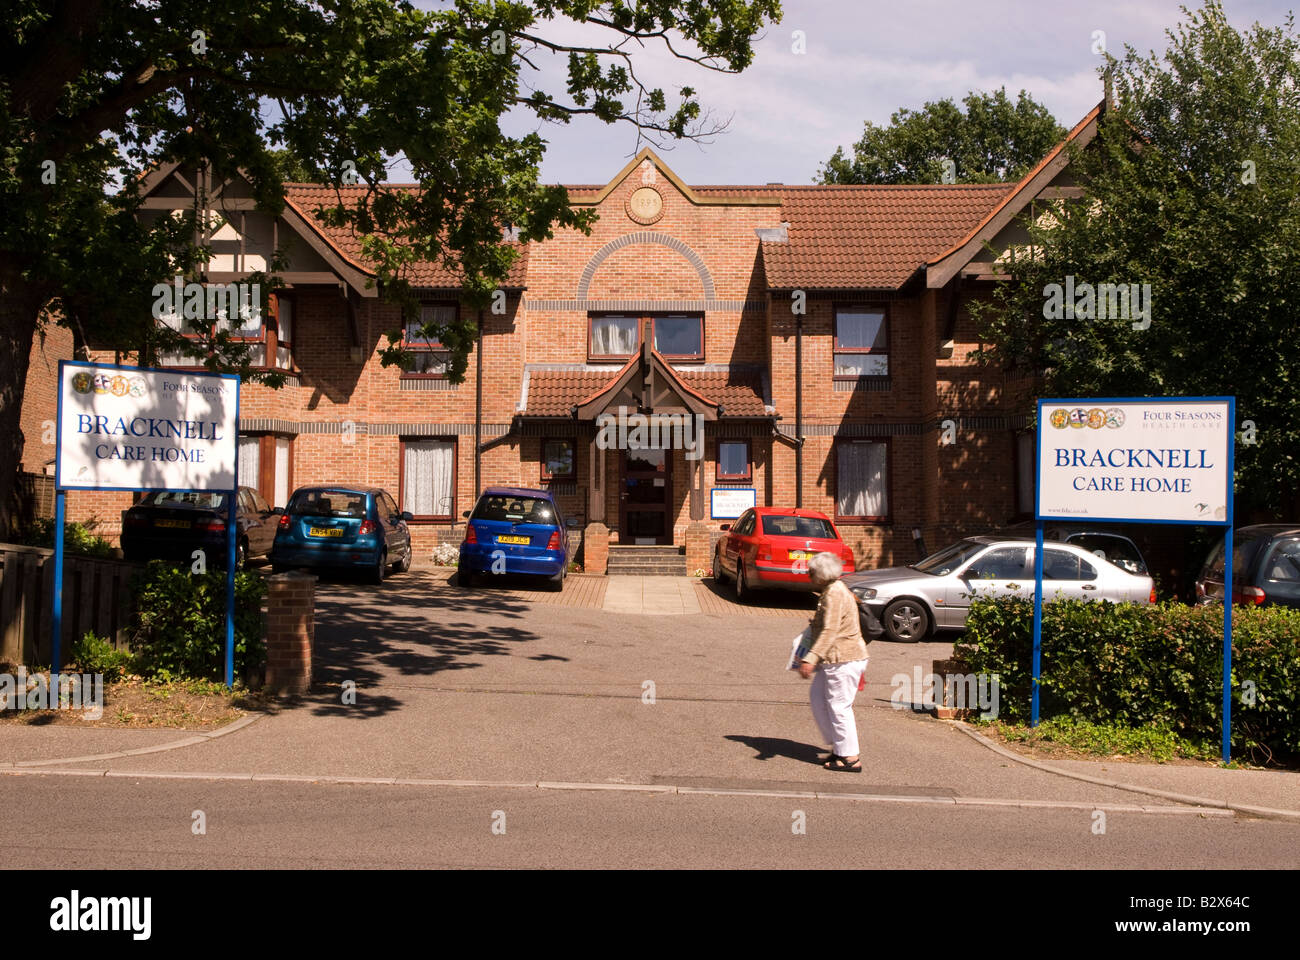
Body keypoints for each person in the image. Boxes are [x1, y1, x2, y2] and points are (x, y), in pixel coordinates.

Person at [796, 551, 869, 772]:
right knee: (818, 698)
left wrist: (810, 659)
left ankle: (850, 758)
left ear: (821, 573)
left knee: (839, 707)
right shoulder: (831, 590)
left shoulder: (834, 593)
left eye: (811, 571)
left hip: (843, 659)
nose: (808, 574)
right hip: (836, 659)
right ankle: (840, 746)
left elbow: (830, 630)